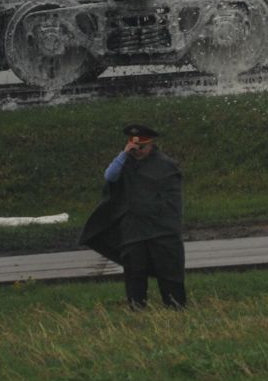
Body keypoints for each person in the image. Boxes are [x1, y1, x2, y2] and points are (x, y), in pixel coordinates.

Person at [77, 123, 187, 309]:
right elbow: (109, 177)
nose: (137, 151)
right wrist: (123, 154)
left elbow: (172, 200)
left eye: (141, 147)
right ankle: (137, 307)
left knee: (168, 269)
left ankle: (175, 306)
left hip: (160, 227)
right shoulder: (125, 162)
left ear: (150, 144)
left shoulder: (165, 165)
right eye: (133, 147)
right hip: (133, 227)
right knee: (135, 270)